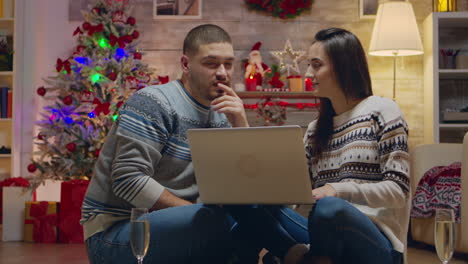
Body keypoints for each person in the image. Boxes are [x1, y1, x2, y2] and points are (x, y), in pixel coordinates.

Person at [226, 28, 410, 264]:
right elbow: (293, 194)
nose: (307, 73)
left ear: (344, 67)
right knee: (239, 201)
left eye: (316, 65)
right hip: (324, 239)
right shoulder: (315, 130)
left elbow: (398, 192)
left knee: (330, 208)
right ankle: (301, 257)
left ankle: (294, 256)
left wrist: (337, 189)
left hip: (377, 245)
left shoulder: (382, 110)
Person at [81, 24, 250, 263]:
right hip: (115, 232)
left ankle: (295, 253)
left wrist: (241, 126)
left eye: (228, 64)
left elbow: (242, 183)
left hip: (183, 222)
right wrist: (194, 211)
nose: (222, 72)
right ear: (185, 64)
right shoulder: (153, 103)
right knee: (219, 221)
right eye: (211, 63)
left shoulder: (223, 114)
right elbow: (127, 180)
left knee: (251, 214)